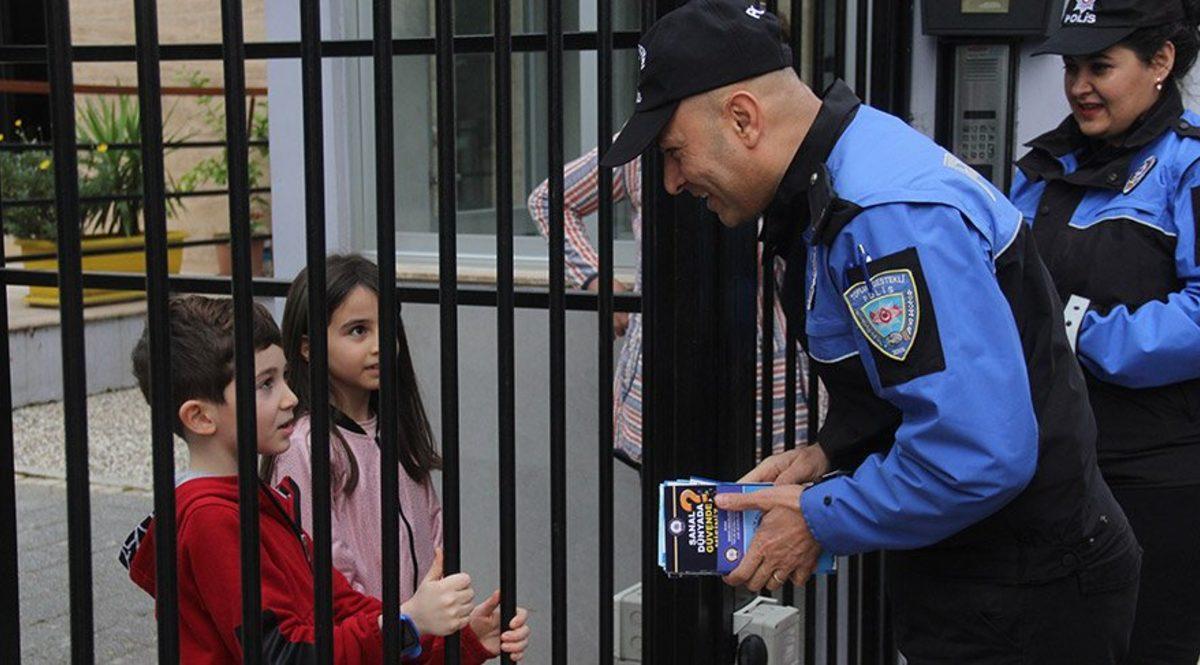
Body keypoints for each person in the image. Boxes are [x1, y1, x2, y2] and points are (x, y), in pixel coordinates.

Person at [599, 1, 1141, 662]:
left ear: (743, 117)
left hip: (1025, 590)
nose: (672, 181)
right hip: (995, 570)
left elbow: (979, 451)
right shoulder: (846, 165)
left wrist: (819, 518)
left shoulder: (885, 217)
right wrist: (830, 452)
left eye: (675, 151)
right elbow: (912, 380)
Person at [1010, 1, 1200, 661]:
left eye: (1100, 65)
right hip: (1052, 469)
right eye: (1070, 66)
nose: (1078, 86)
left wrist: (1077, 326)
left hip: (1155, 480)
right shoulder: (1045, 166)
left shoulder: (1189, 163)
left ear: (1161, 62)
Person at [261, 254, 531, 663]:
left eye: (388, 328)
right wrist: (404, 624)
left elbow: (435, 538)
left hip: (409, 643)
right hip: (362, 645)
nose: (379, 345)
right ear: (308, 348)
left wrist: (459, 632)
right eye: (357, 331)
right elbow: (324, 574)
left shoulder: (397, 430)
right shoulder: (306, 445)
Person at [120, 295, 420, 662]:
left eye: (285, 378)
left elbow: (338, 605)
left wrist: (456, 636)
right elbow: (283, 654)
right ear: (200, 417)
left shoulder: (258, 499)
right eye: (266, 384)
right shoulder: (212, 520)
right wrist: (406, 624)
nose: (291, 398)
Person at [528, 150, 808, 467]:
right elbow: (549, 201)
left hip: (767, 376)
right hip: (665, 367)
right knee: (673, 503)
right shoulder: (640, 149)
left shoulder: (759, 141)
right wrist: (599, 281)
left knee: (766, 501)